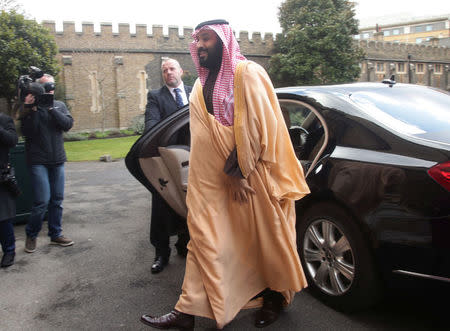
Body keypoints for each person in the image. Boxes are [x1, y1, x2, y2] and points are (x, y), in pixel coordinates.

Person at [140, 19, 310, 329]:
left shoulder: (249, 74)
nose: (201, 45)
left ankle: (273, 297)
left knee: (264, 239)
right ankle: (186, 310)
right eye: (198, 39)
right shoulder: (201, 83)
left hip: (249, 177)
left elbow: (262, 128)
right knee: (202, 239)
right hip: (209, 180)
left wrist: (239, 171)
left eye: (207, 38)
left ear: (223, 40)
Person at [144, 58, 192, 273]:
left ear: (181, 71)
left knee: (192, 205)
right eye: (165, 71)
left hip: (196, 160)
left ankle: (185, 245)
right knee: (163, 206)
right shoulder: (156, 97)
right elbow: (151, 126)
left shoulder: (196, 92)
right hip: (167, 162)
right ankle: (161, 253)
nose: (169, 73)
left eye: (172, 69)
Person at [20, 74, 74, 253]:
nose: (50, 89)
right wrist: (30, 107)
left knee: (57, 199)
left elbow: (67, 124)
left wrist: (51, 109)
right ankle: (32, 234)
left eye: (52, 86)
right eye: (45, 86)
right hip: (38, 161)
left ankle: (55, 234)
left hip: (57, 158)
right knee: (42, 201)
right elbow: (28, 132)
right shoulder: (31, 108)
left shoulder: (58, 105)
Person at [0, 112, 18, 268]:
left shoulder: (4, 120)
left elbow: (13, 140)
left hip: (1, 175)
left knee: (3, 217)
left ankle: (9, 251)